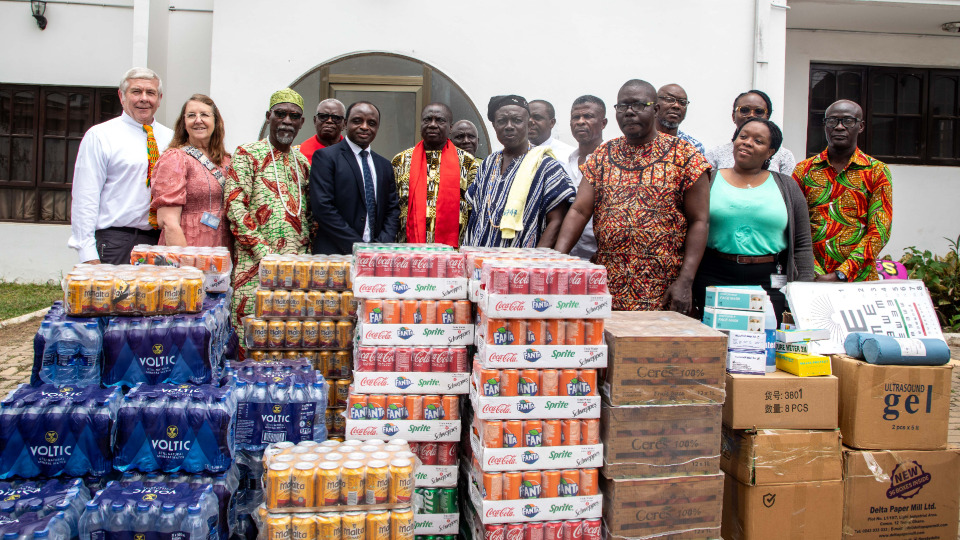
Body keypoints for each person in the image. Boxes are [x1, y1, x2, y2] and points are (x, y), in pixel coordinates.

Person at [554, 80, 710, 313]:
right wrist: (555, 262)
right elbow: (579, 210)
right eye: (622, 106)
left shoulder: (686, 155)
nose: (629, 112)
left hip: (662, 285)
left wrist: (685, 282)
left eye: (638, 105)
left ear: (655, 110)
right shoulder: (604, 154)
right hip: (608, 283)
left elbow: (700, 220)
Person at [693, 118, 815, 323]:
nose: (747, 142)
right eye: (743, 136)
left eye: (758, 141)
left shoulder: (787, 186)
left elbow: (802, 244)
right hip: (713, 276)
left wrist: (804, 293)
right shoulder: (708, 180)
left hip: (769, 282)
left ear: (771, 152)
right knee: (715, 343)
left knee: (764, 345)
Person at [224, 88, 311, 343]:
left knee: (289, 339)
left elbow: (307, 216)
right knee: (252, 340)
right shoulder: (247, 153)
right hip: (255, 267)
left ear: (301, 122)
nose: (287, 121)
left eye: (294, 116)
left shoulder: (303, 162)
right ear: (268, 116)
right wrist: (266, 256)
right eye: (280, 114)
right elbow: (235, 208)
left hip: (295, 269)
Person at [68, 67, 172, 264]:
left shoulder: (171, 138)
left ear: (159, 99)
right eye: (136, 92)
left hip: (160, 242)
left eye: (150, 93)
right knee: (115, 296)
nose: (144, 98)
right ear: (121, 96)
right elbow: (85, 198)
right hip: (116, 241)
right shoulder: (100, 136)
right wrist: (87, 254)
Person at [793, 100, 892, 282]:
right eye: (832, 121)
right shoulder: (803, 170)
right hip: (810, 279)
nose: (839, 127)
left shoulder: (876, 171)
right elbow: (793, 227)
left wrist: (842, 274)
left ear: (860, 126)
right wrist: (814, 273)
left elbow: (879, 230)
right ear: (825, 125)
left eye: (848, 121)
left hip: (859, 280)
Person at [464, 95, 575, 248]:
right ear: (495, 126)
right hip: (481, 260)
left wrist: (537, 260)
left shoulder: (546, 166)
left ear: (528, 124)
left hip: (521, 265)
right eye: (502, 121)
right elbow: (476, 212)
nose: (509, 126)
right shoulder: (488, 163)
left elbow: (557, 221)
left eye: (517, 120)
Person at [309, 101, 400, 254]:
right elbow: (323, 208)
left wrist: (380, 245)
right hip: (335, 254)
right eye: (357, 121)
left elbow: (392, 210)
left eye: (371, 123)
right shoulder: (326, 157)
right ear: (345, 123)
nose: (364, 127)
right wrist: (358, 247)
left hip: (376, 255)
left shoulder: (384, 165)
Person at [149, 94, 231, 248]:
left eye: (204, 115)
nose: (198, 120)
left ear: (216, 121)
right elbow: (168, 222)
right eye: (191, 115)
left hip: (222, 248)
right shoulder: (175, 159)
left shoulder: (226, 161)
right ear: (183, 123)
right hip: (188, 247)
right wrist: (186, 263)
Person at [392, 103, 479, 246]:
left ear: (451, 128)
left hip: (452, 254)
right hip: (408, 251)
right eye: (427, 120)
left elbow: (474, 212)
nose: (432, 124)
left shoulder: (468, 163)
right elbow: (392, 210)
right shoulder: (400, 161)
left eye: (440, 120)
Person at [704, 89, 796, 174]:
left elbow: (787, 189)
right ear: (733, 116)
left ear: (767, 117)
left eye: (759, 111)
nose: (751, 115)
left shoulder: (784, 156)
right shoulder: (715, 154)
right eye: (744, 110)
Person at [565, 95, 607, 261]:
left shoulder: (613, 160)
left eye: (588, 116)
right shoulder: (565, 162)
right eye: (576, 117)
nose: (580, 122)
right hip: (567, 257)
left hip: (599, 258)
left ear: (603, 123)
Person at [655, 84, 705, 154]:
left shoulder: (694, 147)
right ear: (655, 104)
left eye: (682, 102)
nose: (676, 106)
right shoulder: (639, 140)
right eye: (669, 100)